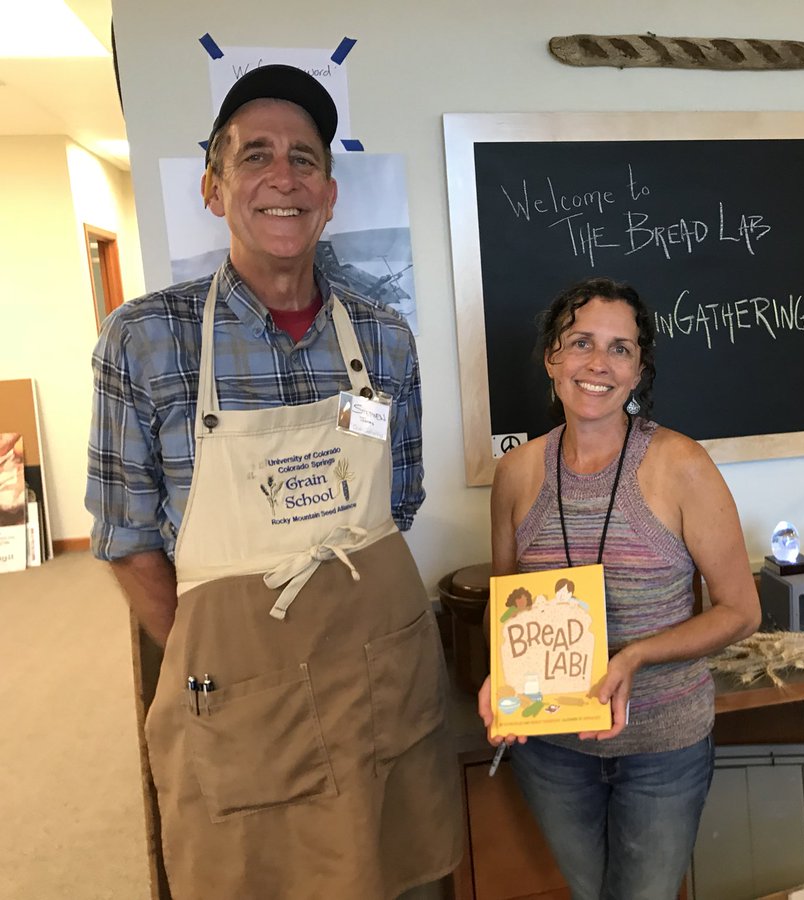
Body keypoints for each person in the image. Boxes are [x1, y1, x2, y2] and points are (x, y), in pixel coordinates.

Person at [85, 65, 461, 900]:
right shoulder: (146, 341)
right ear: (215, 188)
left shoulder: (383, 336)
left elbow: (398, 498)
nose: (282, 177)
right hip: (239, 694)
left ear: (329, 194)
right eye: (255, 156)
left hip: (378, 675)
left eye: (304, 158)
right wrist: (218, 646)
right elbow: (124, 538)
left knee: (398, 869)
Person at [478, 276, 761, 899]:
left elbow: (741, 611)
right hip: (552, 748)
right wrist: (499, 679)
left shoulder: (681, 464)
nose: (598, 364)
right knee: (588, 893)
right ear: (553, 358)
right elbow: (507, 608)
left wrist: (635, 656)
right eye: (580, 342)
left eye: (620, 349)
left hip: (662, 745)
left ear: (638, 372)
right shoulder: (518, 473)